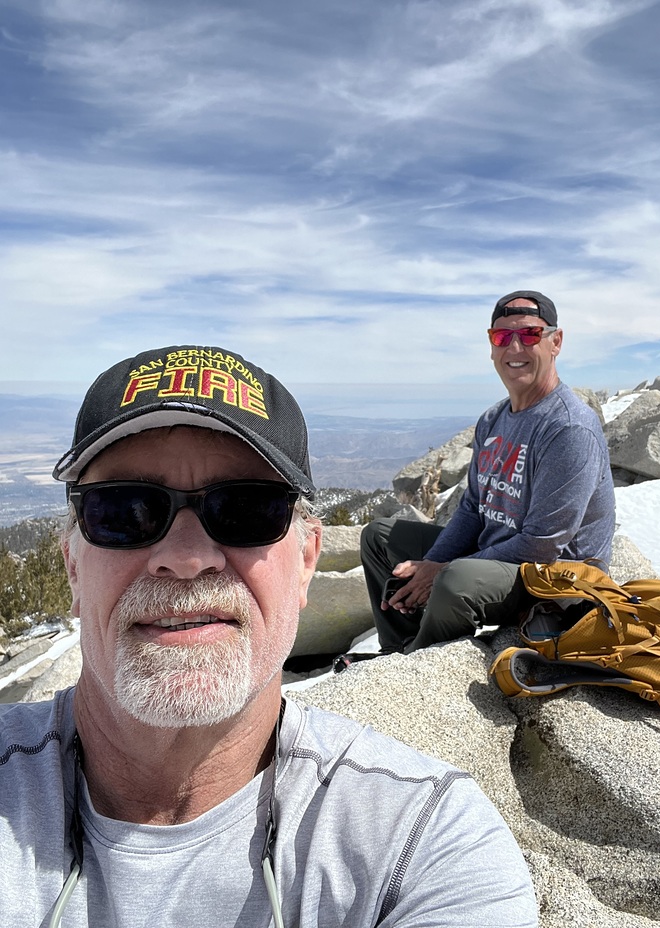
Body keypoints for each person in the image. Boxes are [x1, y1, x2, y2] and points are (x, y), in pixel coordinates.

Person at [0, 344, 537, 927]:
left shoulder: (422, 843)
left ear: (307, 560)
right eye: (126, 510)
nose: (185, 558)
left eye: (245, 510)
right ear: (73, 567)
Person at [360, 291, 615, 655]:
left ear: (555, 341)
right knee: (380, 536)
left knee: (454, 580)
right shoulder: (494, 419)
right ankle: (397, 648)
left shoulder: (569, 428)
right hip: (497, 556)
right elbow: (473, 507)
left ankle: (415, 661)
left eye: (529, 335)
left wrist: (442, 569)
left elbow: (543, 544)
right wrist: (432, 562)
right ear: (491, 345)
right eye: (502, 336)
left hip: (554, 581)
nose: (514, 347)